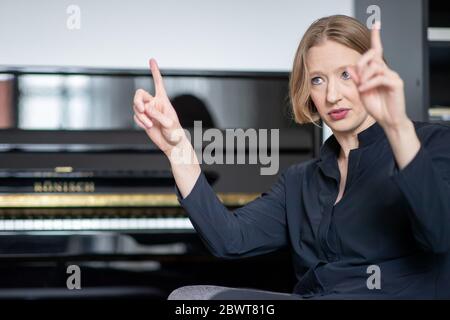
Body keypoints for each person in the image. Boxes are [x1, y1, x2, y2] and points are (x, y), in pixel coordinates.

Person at [132, 15, 450, 299]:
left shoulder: (429, 142)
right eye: (318, 80)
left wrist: (397, 127)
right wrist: (177, 148)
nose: (332, 95)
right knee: (192, 300)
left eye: (346, 75)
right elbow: (229, 239)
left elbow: (439, 234)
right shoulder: (300, 180)